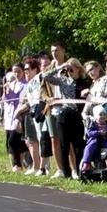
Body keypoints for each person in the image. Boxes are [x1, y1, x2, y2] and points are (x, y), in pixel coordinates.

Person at [43, 58, 90, 179]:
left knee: (78, 145)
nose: (69, 70)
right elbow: (46, 76)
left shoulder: (84, 81)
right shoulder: (63, 80)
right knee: (64, 144)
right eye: (68, 69)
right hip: (64, 114)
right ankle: (66, 172)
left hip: (78, 115)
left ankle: (80, 171)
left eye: (72, 68)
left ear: (78, 68)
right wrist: (60, 67)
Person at [14, 59, 46, 175]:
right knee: (30, 141)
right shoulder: (29, 84)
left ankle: (42, 167)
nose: (25, 71)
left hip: (38, 112)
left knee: (39, 139)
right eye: (25, 69)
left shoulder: (38, 81)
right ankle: (36, 166)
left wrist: (19, 110)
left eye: (27, 69)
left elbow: (36, 100)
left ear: (35, 69)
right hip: (29, 113)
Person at [41, 42, 67, 178]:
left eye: (57, 50)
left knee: (66, 139)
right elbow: (42, 89)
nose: (54, 53)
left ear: (63, 50)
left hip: (66, 107)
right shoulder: (48, 70)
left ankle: (70, 167)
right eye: (52, 51)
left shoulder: (69, 66)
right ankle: (59, 169)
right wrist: (47, 99)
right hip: (51, 108)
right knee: (54, 139)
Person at [80, 106, 107, 172]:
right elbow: (89, 133)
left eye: (104, 114)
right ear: (95, 117)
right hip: (95, 140)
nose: (103, 116)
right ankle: (86, 163)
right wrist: (98, 132)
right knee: (88, 148)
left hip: (105, 140)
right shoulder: (93, 124)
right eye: (100, 114)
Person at [3, 65, 28, 172]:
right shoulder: (10, 84)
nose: (16, 74)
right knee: (11, 141)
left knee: (14, 141)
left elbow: (22, 100)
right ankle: (18, 165)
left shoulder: (26, 85)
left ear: (22, 72)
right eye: (14, 72)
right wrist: (6, 92)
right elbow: (7, 100)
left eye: (19, 71)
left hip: (20, 116)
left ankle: (17, 165)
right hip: (10, 116)